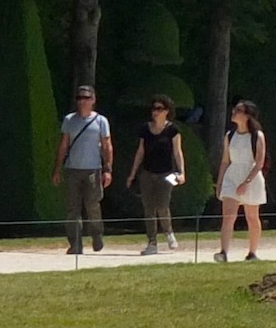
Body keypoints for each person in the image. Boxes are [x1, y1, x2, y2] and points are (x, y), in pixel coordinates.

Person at [50, 86, 113, 255]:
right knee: (73, 209)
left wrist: (108, 169)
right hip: (72, 169)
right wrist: (57, 169)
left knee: (93, 205)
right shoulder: (69, 120)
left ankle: (97, 234)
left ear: (93, 100)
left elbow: (107, 146)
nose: (82, 101)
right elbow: (64, 145)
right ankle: (75, 243)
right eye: (79, 98)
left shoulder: (101, 121)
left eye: (85, 98)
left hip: (93, 169)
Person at [122, 95, 186, 255]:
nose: (155, 112)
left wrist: (182, 172)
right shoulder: (145, 128)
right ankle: (152, 242)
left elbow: (178, 152)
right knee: (148, 209)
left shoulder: (173, 130)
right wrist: (133, 173)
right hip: (147, 173)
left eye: (159, 109)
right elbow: (140, 151)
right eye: (154, 109)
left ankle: (168, 232)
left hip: (166, 173)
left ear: (167, 111)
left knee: (163, 205)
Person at [216, 102, 268, 263]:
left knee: (252, 217)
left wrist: (246, 182)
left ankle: (252, 253)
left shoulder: (257, 136)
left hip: (251, 177)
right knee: (228, 216)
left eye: (238, 110)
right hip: (232, 176)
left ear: (247, 115)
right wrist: (220, 182)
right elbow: (225, 161)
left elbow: (259, 162)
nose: (234, 112)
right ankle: (223, 252)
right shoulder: (229, 135)